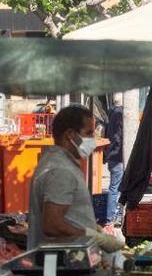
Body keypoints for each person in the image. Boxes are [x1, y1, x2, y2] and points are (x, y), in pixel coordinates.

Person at [28, 105, 124, 253]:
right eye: (89, 133)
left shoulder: (60, 162)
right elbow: (52, 225)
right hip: (61, 265)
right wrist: (95, 237)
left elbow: (69, 215)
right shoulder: (60, 170)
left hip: (70, 261)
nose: (93, 139)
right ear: (71, 135)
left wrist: (92, 227)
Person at [104, 95, 124, 224]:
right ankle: (112, 217)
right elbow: (118, 136)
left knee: (114, 187)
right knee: (116, 188)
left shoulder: (110, 112)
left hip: (112, 155)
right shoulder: (119, 114)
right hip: (117, 156)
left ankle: (112, 216)